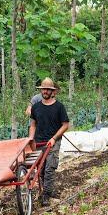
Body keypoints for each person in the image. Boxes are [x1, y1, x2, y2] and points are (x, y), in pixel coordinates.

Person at [28, 77, 70, 206]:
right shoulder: (36, 107)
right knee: (40, 169)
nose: (45, 91)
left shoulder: (59, 107)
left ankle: (46, 195)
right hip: (39, 142)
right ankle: (47, 190)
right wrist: (31, 140)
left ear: (52, 91)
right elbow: (33, 124)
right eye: (43, 89)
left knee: (50, 168)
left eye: (48, 89)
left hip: (53, 141)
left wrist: (54, 138)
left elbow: (65, 125)